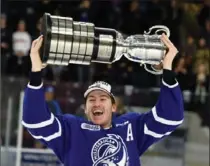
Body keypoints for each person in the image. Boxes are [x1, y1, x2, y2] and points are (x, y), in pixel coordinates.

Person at [22, 34, 184, 166]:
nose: (97, 103)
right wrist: (36, 71)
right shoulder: (71, 130)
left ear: (114, 107)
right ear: (85, 108)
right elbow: (35, 122)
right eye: (91, 100)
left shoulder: (131, 127)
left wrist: (168, 69)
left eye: (103, 98)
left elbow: (170, 117)